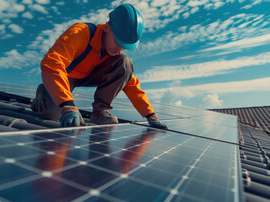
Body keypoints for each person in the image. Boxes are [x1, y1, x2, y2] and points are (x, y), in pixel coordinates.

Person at [31, 3, 168, 130]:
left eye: (124, 46)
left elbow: (131, 84)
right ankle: (43, 94)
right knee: (52, 116)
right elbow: (52, 63)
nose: (119, 49)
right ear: (107, 27)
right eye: (118, 42)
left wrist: (150, 115)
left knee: (125, 63)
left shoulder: (114, 54)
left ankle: (99, 112)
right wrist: (67, 104)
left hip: (90, 74)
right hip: (66, 76)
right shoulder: (80, 33)